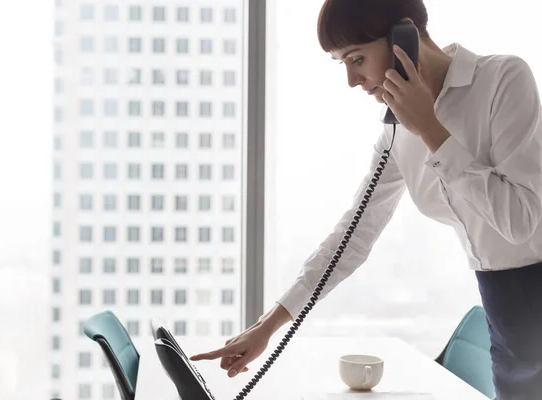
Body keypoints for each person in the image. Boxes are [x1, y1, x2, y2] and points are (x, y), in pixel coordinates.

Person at [190, 0, 542, 398]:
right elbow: (352, 237)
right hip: (506, 320)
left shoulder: (502, 80)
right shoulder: (399, 131)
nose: (352, 81)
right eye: (342, 63)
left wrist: (430, 128)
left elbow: (521, 221)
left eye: (356, 58)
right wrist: (267, 326)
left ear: (403, 37)